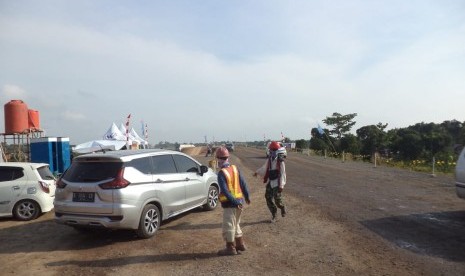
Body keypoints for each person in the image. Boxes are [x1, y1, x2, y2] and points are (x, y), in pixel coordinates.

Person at [216, 146, 251, 256]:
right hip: (239, 202)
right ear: (227, 157)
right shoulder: (235, 168)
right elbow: (243, 184)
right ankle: (240, 245)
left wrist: (235, 202)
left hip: (230, 204)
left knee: (229, 226)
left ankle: (230, 248)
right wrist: (247, 197)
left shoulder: (222, 172)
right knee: (236, 224)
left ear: (219, 158)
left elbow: (225, 191)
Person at [254, 141, 287, 223]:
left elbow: (283, 173)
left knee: (277, 201)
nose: (273, 151)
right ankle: (274, 214)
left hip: (277, 182)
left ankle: (282, 207)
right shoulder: (269, 160)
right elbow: (264, 168)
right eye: (271, 150)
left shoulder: (281, 161)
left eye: (274, 150)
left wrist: (281, 185)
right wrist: (257, 172)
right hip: (270, 181)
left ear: (278, 150)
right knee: (268, 197)